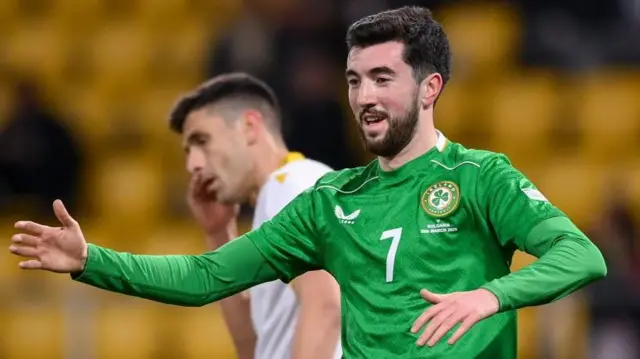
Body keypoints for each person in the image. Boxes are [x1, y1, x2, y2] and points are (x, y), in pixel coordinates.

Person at [8, 6, 607, 359]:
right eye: (354, 80)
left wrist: (489, 296)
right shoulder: (330, 201)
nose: (364, 97)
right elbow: (206, 277)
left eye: (381, 78)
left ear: (430, 89)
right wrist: (92, 261)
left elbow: (582, 255)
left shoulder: (481, 177)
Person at [171, 72, 341, 359]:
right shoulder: (293, 189)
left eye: (202, 141)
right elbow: (255, 346)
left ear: (250, 127)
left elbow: (325, 307)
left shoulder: (289, 186)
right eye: (189, 151)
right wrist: (218, 232)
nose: (193, 164)